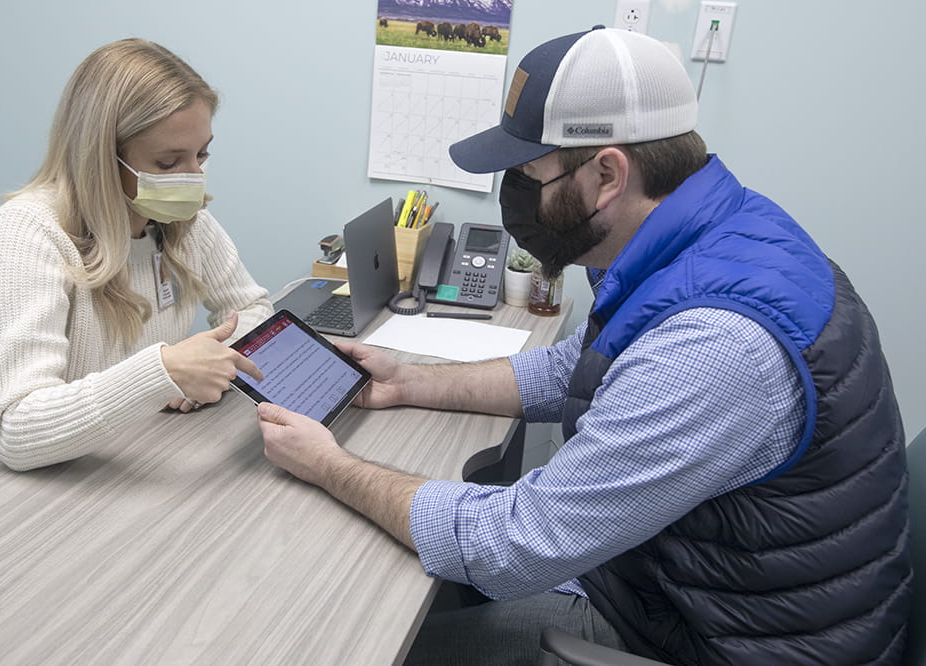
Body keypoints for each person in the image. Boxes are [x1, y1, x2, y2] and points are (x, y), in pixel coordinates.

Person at [257, 27, 912, 665]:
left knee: (355, 646)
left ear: (606, 174)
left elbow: (513, 545)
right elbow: (581, 368)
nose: (516, 196)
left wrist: (329, 464)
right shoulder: (708, 234)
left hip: (715, 639)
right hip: (684, 587)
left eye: (527, 174)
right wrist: (410, 382)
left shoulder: (715, 348)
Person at [0, 39, 273, 480]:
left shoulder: (183, 220)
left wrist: (206, 369)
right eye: (168, 162)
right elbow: (16, 427)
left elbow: (253, 310)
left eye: (202, 154)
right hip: (14, 496)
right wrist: (161, 373)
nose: (194, 179)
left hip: (129, 453)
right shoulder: (27, 233)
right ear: (102, 158)